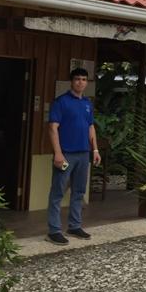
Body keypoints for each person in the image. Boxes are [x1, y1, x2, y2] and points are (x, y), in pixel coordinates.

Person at [46, 68, 101, 246]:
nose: (80, 82)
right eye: (77, 79)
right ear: (71, 81)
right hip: (66, 153)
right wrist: (58, 153)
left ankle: (74, 226)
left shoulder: (87, 103)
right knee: (58, 192)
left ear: (87, 83)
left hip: (84, 153)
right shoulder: (61, 102)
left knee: (78, 191)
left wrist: (95, 150)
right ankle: (54, 230)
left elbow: (90, 127)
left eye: (84, 79)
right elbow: (53, 128)